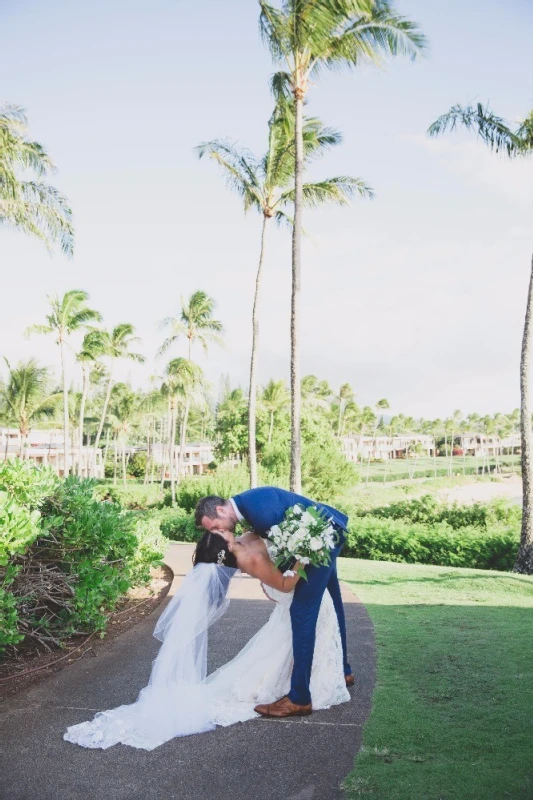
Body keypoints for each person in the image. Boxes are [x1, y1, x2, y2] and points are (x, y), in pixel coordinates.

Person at [63, 526, 349, 751]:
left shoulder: (249, 544)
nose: (226, 529)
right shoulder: (250, 544)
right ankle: (325, 677)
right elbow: (284, 585)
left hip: (300, 602)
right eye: (222, 532)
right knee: (292, 650)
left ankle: (331, 674)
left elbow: (277, 587)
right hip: (302, 599)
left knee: (292, 648)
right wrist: (302, 559)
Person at [195, 485, 354, 718]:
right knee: (333, 599)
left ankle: (299, 698)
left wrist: (289, 569)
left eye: (215, 527)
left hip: (323, 536)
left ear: (220, 509)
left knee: (302, 611)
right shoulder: (250, 508)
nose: (216, 532)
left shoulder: (259, 513)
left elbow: (291, 551)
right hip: (330, 528)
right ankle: (343, 670)